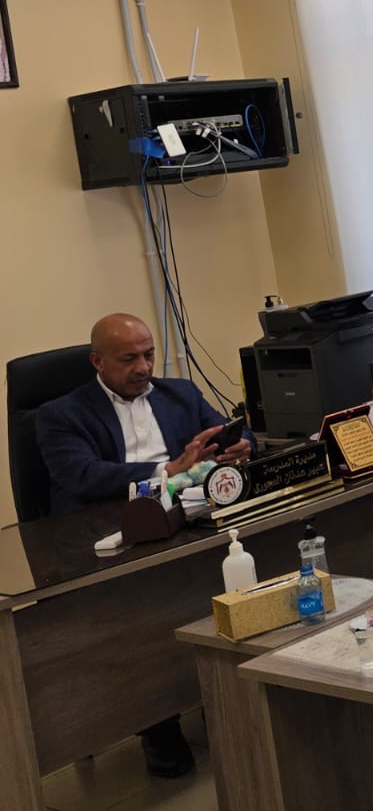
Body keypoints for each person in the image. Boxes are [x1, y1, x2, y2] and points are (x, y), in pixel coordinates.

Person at [34, 312, 256, 778]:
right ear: (97, 362)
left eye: (149, 354)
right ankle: (157, 719)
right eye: (129, 359)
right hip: (108, 533)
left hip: (186, 520)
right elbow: (82, 476)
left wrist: (241, 446)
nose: (143, 367)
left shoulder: (181, 393)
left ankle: (222, 691)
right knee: (145, 606)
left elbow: (227, 432)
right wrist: (167, 471)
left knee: (231, 571)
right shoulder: (60, 414)